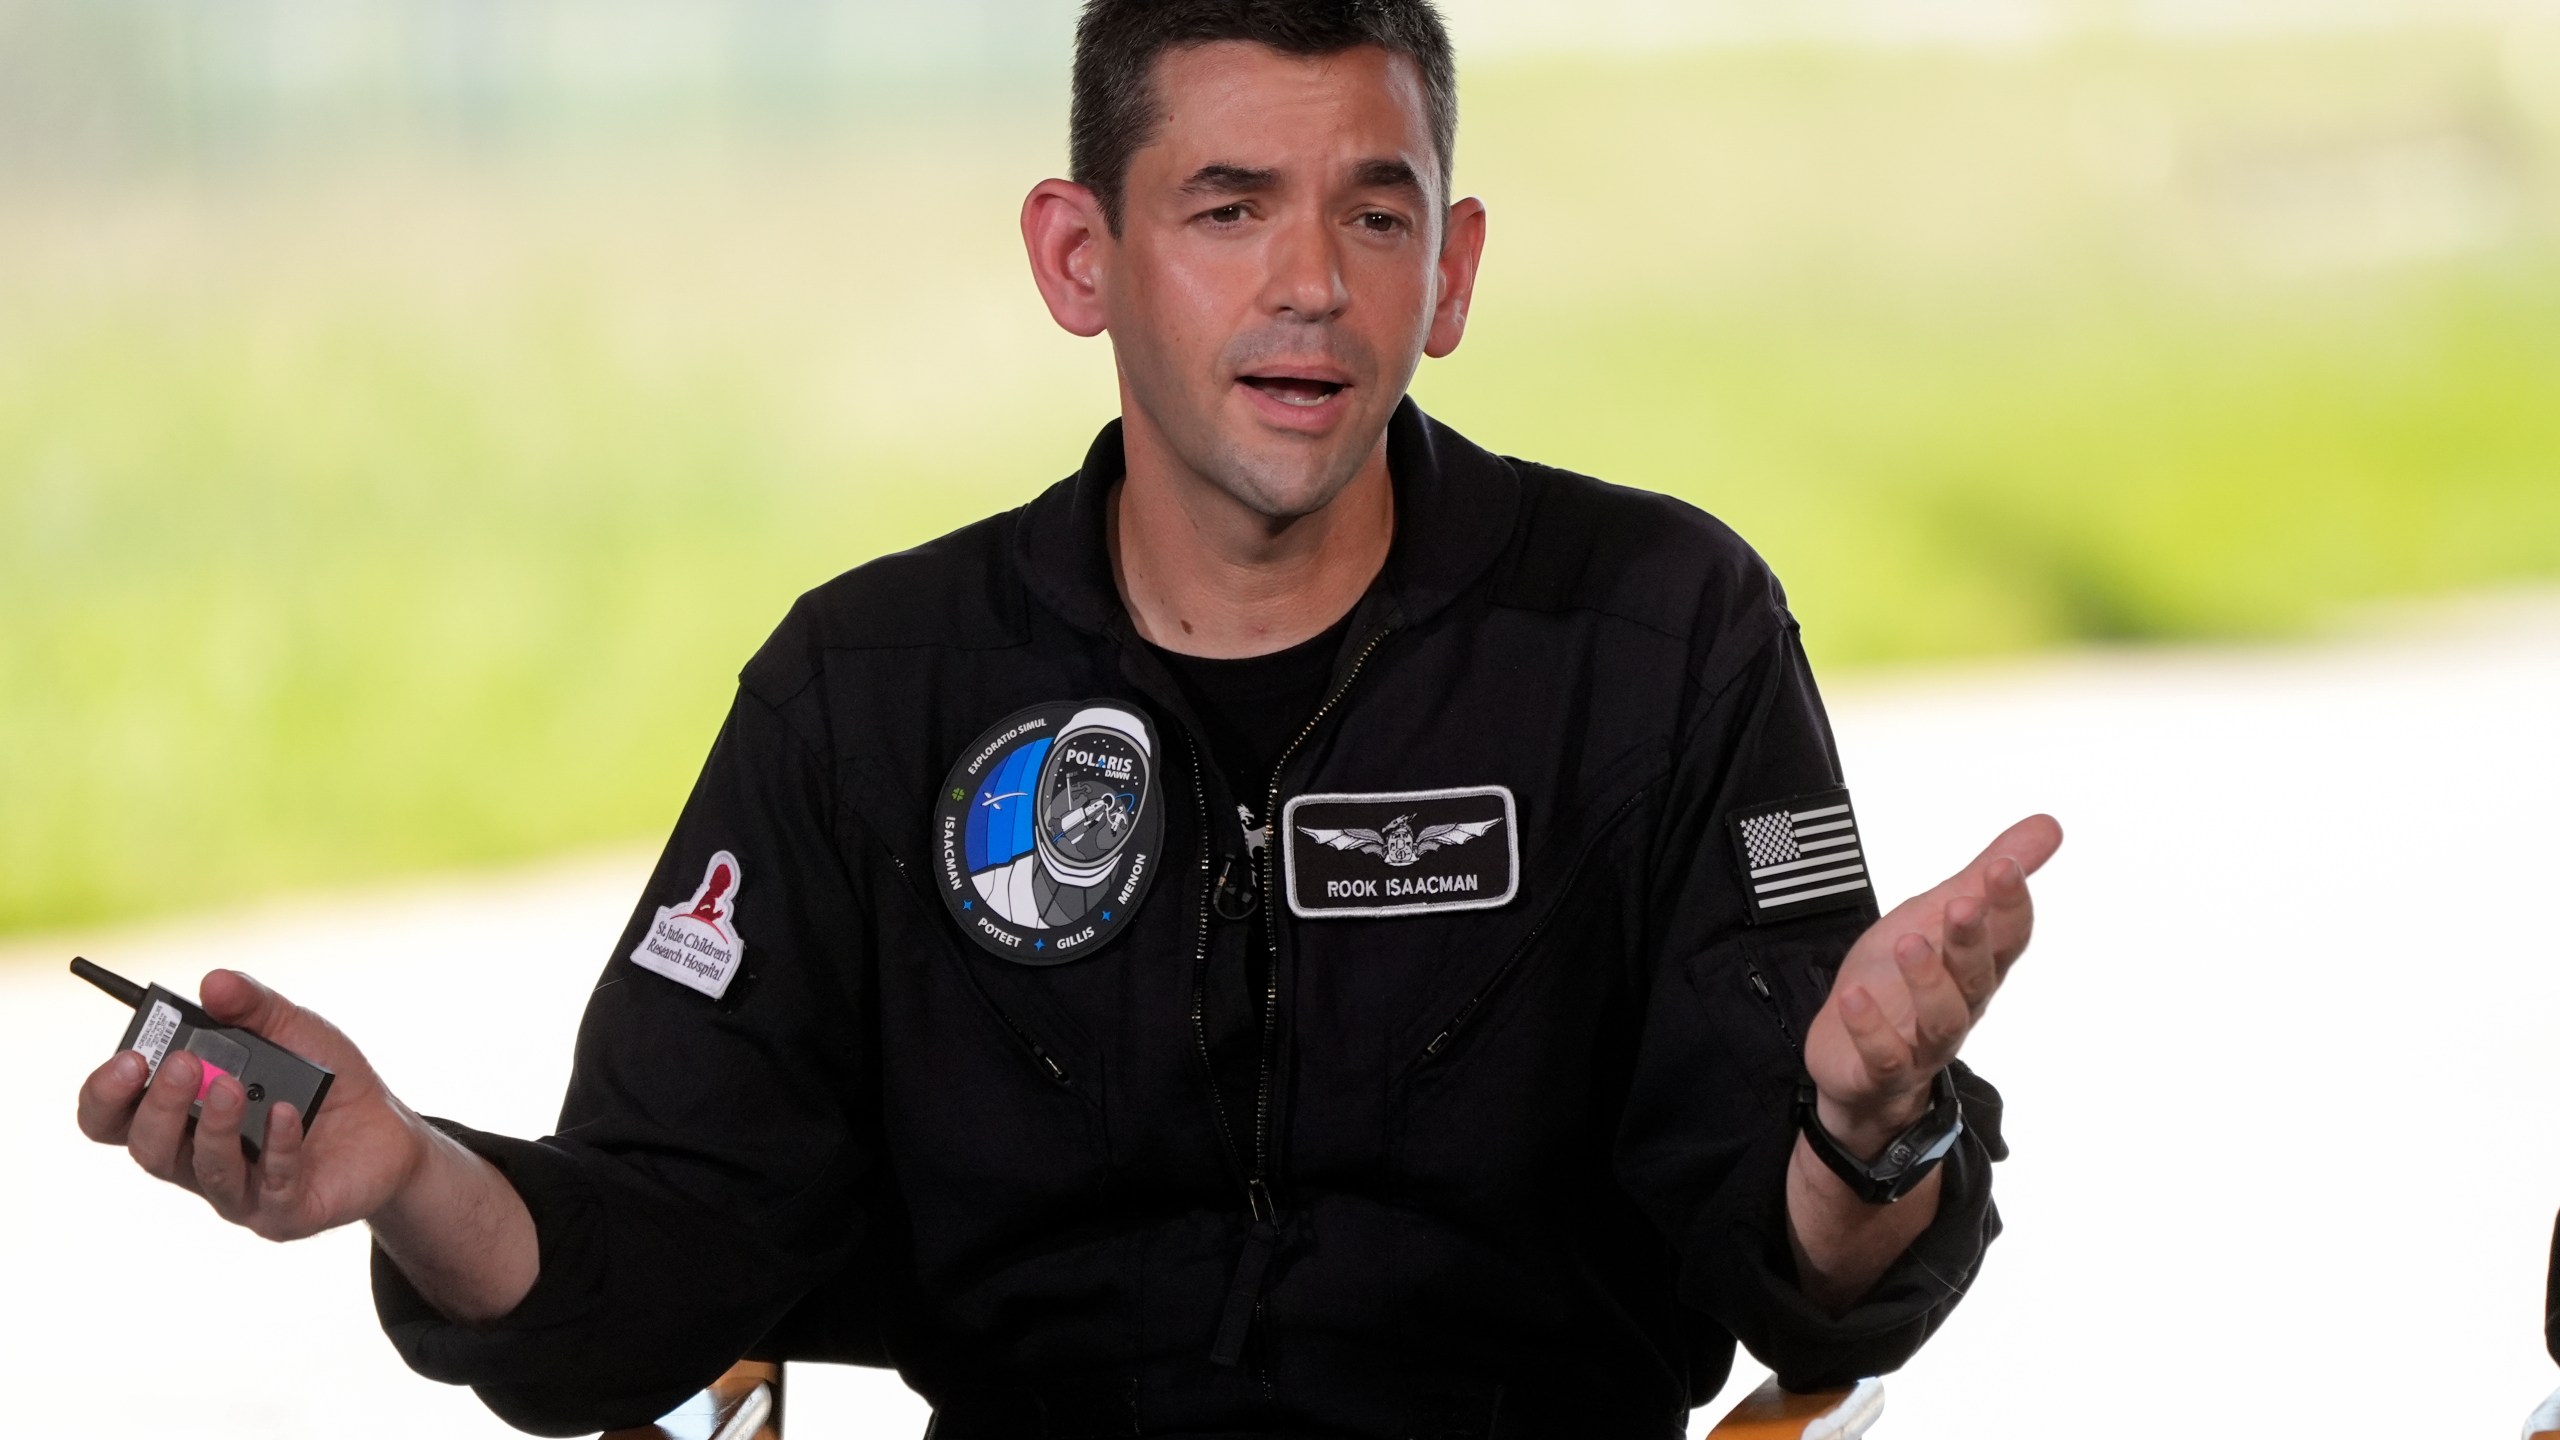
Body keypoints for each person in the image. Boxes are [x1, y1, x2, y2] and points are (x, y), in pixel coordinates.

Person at [73, 3, 2063, 1436]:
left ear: (1449, 272)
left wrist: (1861, 1122)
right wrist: (408, 1173)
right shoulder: (875, 689)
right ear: (1076, 255)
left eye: (1373, 216)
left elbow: (1799, 1268)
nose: (1307, 285)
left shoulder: (1650, 629)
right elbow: (656, 1269)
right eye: (1223, 209)